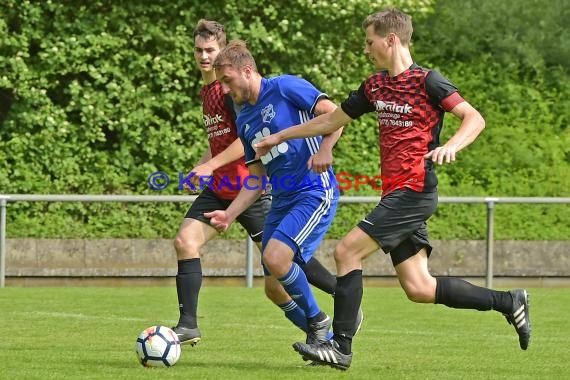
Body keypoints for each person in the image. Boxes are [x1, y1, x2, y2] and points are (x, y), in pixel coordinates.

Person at [255, 8, 531, 370]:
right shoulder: (375, 86)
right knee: (419, 287)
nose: (367, 50)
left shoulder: (428, 81)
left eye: (370, 42)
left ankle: (340, 347)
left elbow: (473, 118)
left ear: (391, 39)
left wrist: (451, 145)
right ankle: (510, 302)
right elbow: (330, 119)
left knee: (346, 252)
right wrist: (279, 135)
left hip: (415, 191)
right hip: (396, 195)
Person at [172, 20, 339, 346]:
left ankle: (340, 301)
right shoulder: (210, 90)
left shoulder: (233, 93)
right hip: (221, 189)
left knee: (279, 276)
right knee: (184, 242)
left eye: (210, 50)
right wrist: (204, 164)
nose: (204, 57)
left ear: (225, 54)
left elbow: (244, 144)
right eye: (198, 50)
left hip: (251, 189)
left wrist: (211, 163)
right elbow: (221, 140)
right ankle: (188, 324)